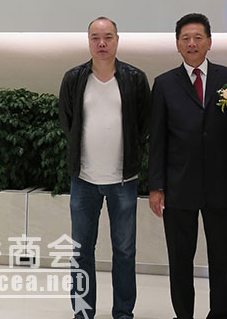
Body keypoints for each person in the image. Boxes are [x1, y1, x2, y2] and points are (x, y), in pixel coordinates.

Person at [148, 13, 227, 319]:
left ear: (209, 42)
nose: (192, 43)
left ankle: (223, 313)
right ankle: (184, 314)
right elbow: (158, 139)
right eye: (185, 38)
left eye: (198, 37)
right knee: (180, 258)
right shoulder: (164, 83)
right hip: (179, 186)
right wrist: (156, 186)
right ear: (177, 44)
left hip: (222, 185)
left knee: (222, 256)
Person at [58, 17, 150, 319]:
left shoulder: (135, 78)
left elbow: (144, 123)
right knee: (81, 250)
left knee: (124, 251)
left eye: (108, 37)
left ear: (117, 40)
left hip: (124, 179)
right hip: (83, 179)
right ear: (88, 41)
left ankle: (123, 312)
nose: (102, 43)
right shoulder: (74, 78)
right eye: (95, 37)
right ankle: (83, 311)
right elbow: (67, 121)